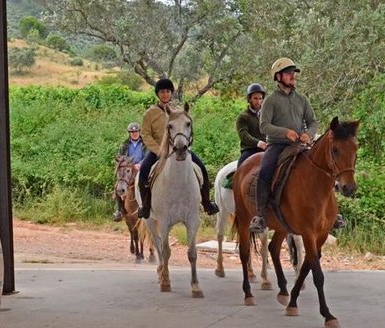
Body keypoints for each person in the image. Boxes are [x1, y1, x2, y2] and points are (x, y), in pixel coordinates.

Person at [249, 58, 317, 234]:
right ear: (278, 76)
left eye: (293, 73)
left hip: (299, 145)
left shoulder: (302, 99)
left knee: (321, 166)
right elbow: (264, 126)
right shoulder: (271, 100)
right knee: (265, 171)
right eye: (289, 73)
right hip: (277, 146)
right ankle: (261, 215)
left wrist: (308, 134)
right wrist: (285, 132)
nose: (293, 76)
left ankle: (331, 213)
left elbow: (312, 121)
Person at [136, 78, 220, 219]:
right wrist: (159, 150)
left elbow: (187, 129)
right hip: (158, 151)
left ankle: (206, 202)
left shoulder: (178, 111)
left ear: (171, 93)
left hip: (179, 148)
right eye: (162, 92)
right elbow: (145, 134)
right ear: (158, 94)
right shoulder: (150, 113)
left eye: (168, 91)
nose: (165, 94)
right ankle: (145, 206)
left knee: (202, 169)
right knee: (144, 171)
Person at [112, 122, 146, 222]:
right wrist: (126, 162)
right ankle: (120, 210)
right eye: (132, 132)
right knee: (118, 186)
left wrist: (140, 164)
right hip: (128, 169)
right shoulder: (124, 145)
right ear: (129, 133)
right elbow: (120, 157)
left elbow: (148, 156)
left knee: (146, 184)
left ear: (139, 132)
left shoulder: (145, 144)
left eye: (136, 131)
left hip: (141, 168)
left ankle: (145, 207)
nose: (134, 133)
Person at [236, 83, 268, 169]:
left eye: (260, 98)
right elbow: (243, 135)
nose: (258, 101)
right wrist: (258, 143)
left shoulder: (267, 115)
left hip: (267, 148)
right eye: (255, 98)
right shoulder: (243, 117)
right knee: (240, 168)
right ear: (249, 99)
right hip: (250, 149)